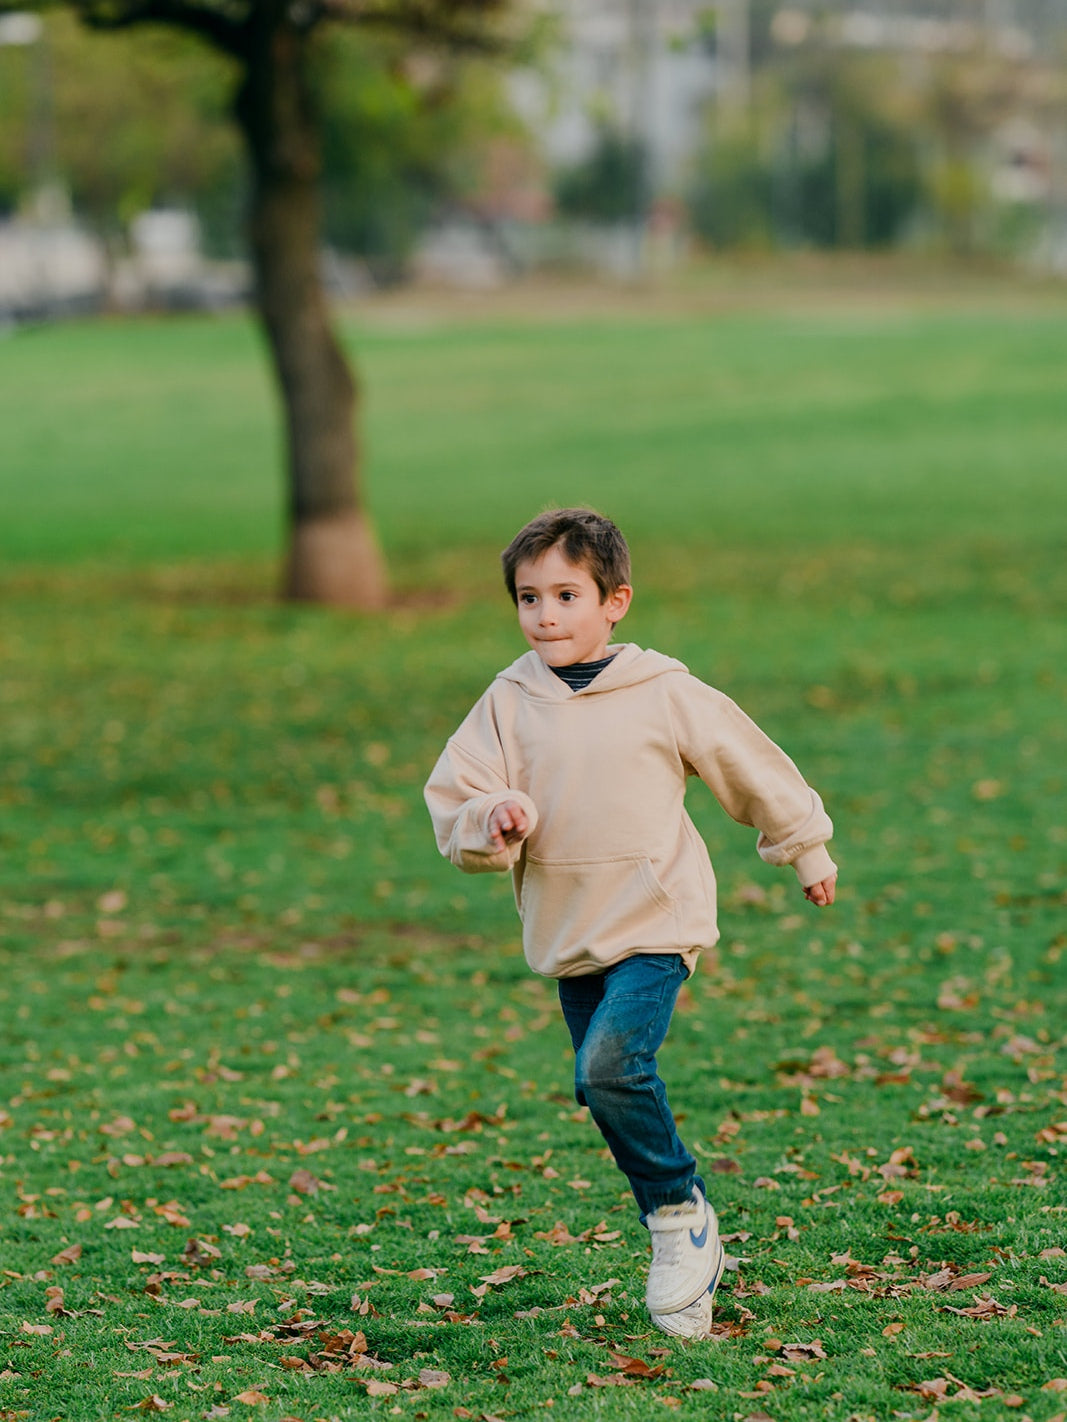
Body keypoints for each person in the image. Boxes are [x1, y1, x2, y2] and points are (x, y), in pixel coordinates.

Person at [424, 508, 838, 1340]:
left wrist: (803, 846)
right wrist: (493, 817)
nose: (545, 615)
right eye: (527, 597)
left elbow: (746, 764)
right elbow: (457, 797)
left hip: (656, 918)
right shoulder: (508, 702)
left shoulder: (663, 691)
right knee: (598, 1081)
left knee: (608, 1068)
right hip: (567, 929)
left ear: (615, 601)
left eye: (566, 595)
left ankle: (677, 1217)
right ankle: (678, 1219)